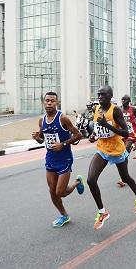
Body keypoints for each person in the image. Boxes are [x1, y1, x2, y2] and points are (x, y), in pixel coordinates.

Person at [87, 86, 136, 230]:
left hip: (117, 150)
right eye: (98, 95)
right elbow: (97, 128)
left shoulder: (116, 110)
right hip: (102, 149)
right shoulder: (97, 109)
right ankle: (102, 212)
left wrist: (107, 125)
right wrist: (94, 134)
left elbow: (125, 133)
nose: (100, 97)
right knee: (91, 180)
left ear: (110, 96)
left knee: (125, 178)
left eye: (103, 95)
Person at [32, 92, 84, 228]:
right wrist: (37, 138)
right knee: (52, 190)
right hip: (50, 158)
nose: (49, 103)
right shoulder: (41, 120)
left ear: (57, 103)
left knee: (60, 192)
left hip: (64, 158)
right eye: (47, 101)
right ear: (43, 103)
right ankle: (64, 215)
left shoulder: (63, 119)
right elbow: (42, 139)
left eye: (52, 101)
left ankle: (77, 182)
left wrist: (63, 144)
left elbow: (79, 135)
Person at [117, 94, 136, 187]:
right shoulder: (119, 109)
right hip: (121, 135)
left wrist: (135, 124)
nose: (123, 101)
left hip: (130, 134)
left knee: (124, 154)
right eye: (122, 99)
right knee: (122, 156)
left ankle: (122, 178)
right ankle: (124, 176)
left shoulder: (133, 109)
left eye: (125, 99)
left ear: (129, 100)